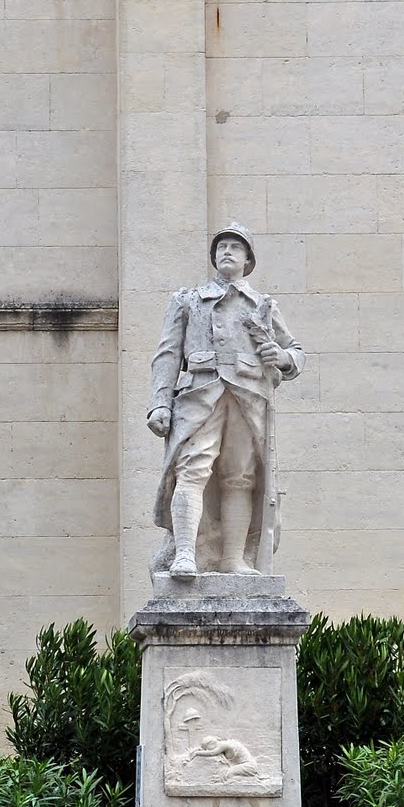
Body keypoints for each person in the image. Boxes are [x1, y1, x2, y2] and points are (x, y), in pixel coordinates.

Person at [147, 222, 304, 579]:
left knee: (240, 477)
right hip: (200, 393)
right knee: (192, 468)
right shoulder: (187, 300)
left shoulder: (263, 306)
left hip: (247, 396)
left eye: (236, 246)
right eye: (222, 247)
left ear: (248, 258)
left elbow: (295, 353)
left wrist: (280, 357)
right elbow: (168, 354)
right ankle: (185, 553)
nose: (227, 251)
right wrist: (159, 402)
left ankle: (233, 559)